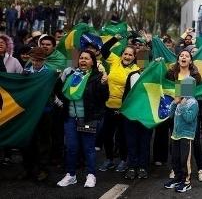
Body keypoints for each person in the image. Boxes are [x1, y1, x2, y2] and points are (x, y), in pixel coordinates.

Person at [55, 50, 109, 188]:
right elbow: (60, 92)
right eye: (81, 58)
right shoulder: (71, 75)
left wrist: (103, 84)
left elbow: (104, 98)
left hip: (87, 119)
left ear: (93, 61)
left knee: (88, 148)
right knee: (71, 148)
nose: (83, 61)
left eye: (87, 58)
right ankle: (70, 175)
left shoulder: (97, 77)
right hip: (70, 119)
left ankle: (91, 175)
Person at [98, 36, 140, 173]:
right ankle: (109, 160)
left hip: (123, 108)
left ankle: (123, 160)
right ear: (121, 54)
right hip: (108, 105)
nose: (127, 56)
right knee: (106, 135)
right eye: (125, 53)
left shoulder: (136, 70)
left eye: (130, 55)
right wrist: (115, 38)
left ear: (134, 57)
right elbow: (103, 49)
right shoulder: (115, 60)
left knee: (122, 136)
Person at [163, 49, 202, 193]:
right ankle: (177, 178)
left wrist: (183, 103)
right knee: (175, 158)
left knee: (184, 159)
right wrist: (175, 103)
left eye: (187, 87)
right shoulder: (179, 101)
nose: (184, 89)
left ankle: (186, 181)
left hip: (187, 134)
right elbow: (172, 115)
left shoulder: (193, 103)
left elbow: (188, 118)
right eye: (182, 87)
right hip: (175, 133)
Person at [21, 47, 53, 181]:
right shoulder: (26, 72)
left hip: (44, 111)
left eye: (39, 60)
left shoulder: (49, 73)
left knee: (44, 141)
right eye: (33, 60)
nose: (35, 63)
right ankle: (28, 169)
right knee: (28, 141)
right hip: (29, 112)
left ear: (44, 60)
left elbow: (53, 92)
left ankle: (43, 169)